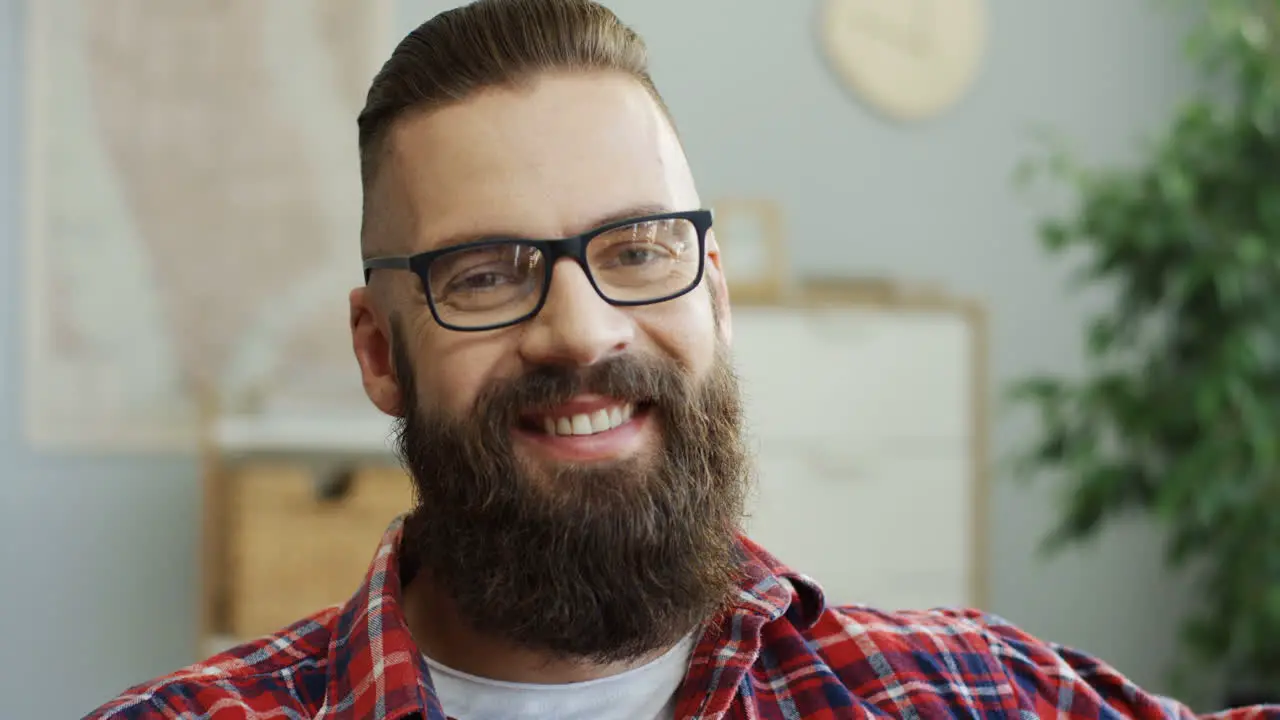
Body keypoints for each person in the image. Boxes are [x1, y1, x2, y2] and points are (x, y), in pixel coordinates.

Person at [85, 1, 1278, 718]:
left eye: (639, 250)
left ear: (712, 292)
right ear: (377, 352)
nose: (582, 329)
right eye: (488, 272)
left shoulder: (956, 691)